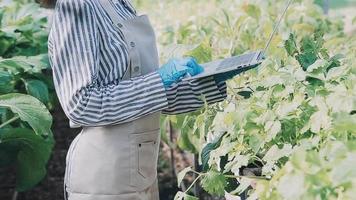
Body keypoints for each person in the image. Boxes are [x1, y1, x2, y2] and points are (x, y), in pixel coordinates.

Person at [45, 0, 240, 199]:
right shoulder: (77, 5)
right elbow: (82, 104)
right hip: (106, 178)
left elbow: (146, 100)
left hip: (141, 172)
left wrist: (209, 84)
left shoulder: (119, 4)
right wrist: (159, 80)